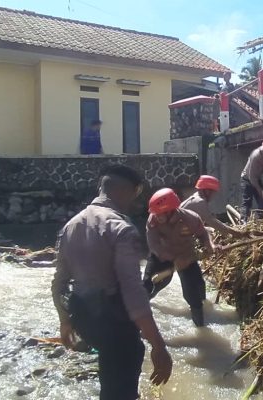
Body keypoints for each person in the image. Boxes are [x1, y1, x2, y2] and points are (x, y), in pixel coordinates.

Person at [52, 165, 172, 400]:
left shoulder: (70, 226)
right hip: (113, 322)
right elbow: (133, 294)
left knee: (110, 377)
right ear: (128, 191)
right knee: (123, 380)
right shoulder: (121, 229)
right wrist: (159, 347)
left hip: (84, 319)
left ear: (101, 187)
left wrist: (65, 321)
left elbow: (59, 282)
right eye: (137, 194)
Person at [144, 188, 216, 327]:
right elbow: (154, 245)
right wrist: (173, 260)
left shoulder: (191, 218)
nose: (156, 216)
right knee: (147, 284)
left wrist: (210, 245)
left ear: (170, 210)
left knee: (194, 293)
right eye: (155, 213)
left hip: (186, 256)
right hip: (161, 256)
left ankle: (201, 327)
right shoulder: (153, 220)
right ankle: (143, 319)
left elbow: (203, 234)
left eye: (160, 214)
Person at [181, 175, 245, 238]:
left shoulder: (195, 198)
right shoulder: (199, 201)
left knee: (210, 230)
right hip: (179, 236)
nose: (213, 195)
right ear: (207, 191)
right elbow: (212, 222)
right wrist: (233, 232)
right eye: (213, 192)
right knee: (210, 232)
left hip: (181, 231)